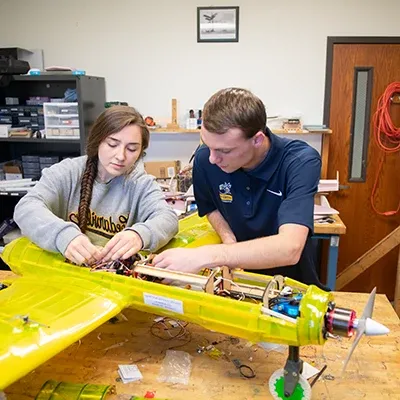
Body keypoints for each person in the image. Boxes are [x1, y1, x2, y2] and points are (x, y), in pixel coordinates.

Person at [153, 88, 325, 288]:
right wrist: (228, 238)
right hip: (233, 282)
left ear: (257, 140)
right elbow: (210, 207)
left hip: (289, 286)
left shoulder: (299, 162)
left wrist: (209, 255)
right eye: (208, 145)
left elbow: (290, 248)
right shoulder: (205, 160)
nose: (212, 158)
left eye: (224, 150)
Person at [14, 106, 178, 266]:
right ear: (97, 141)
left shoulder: (140, 183)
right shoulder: (68, 172)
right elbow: (26, 208)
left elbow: (168, 218)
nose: (120, 156)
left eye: (132, 148)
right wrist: (63, 236)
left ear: (141, 151)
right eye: (112, 144)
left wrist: (140, 235)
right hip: (60, 276)